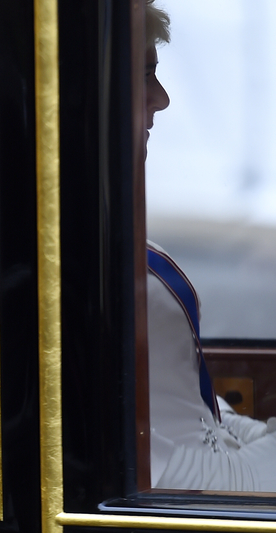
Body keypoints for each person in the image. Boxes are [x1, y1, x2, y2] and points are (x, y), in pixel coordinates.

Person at [145, 0, 276, 490]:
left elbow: (180, 402)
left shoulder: (108, 222)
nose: (162, 98)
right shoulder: (71, 258)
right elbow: (158, 466)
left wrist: (241, 430)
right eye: (142, 76)